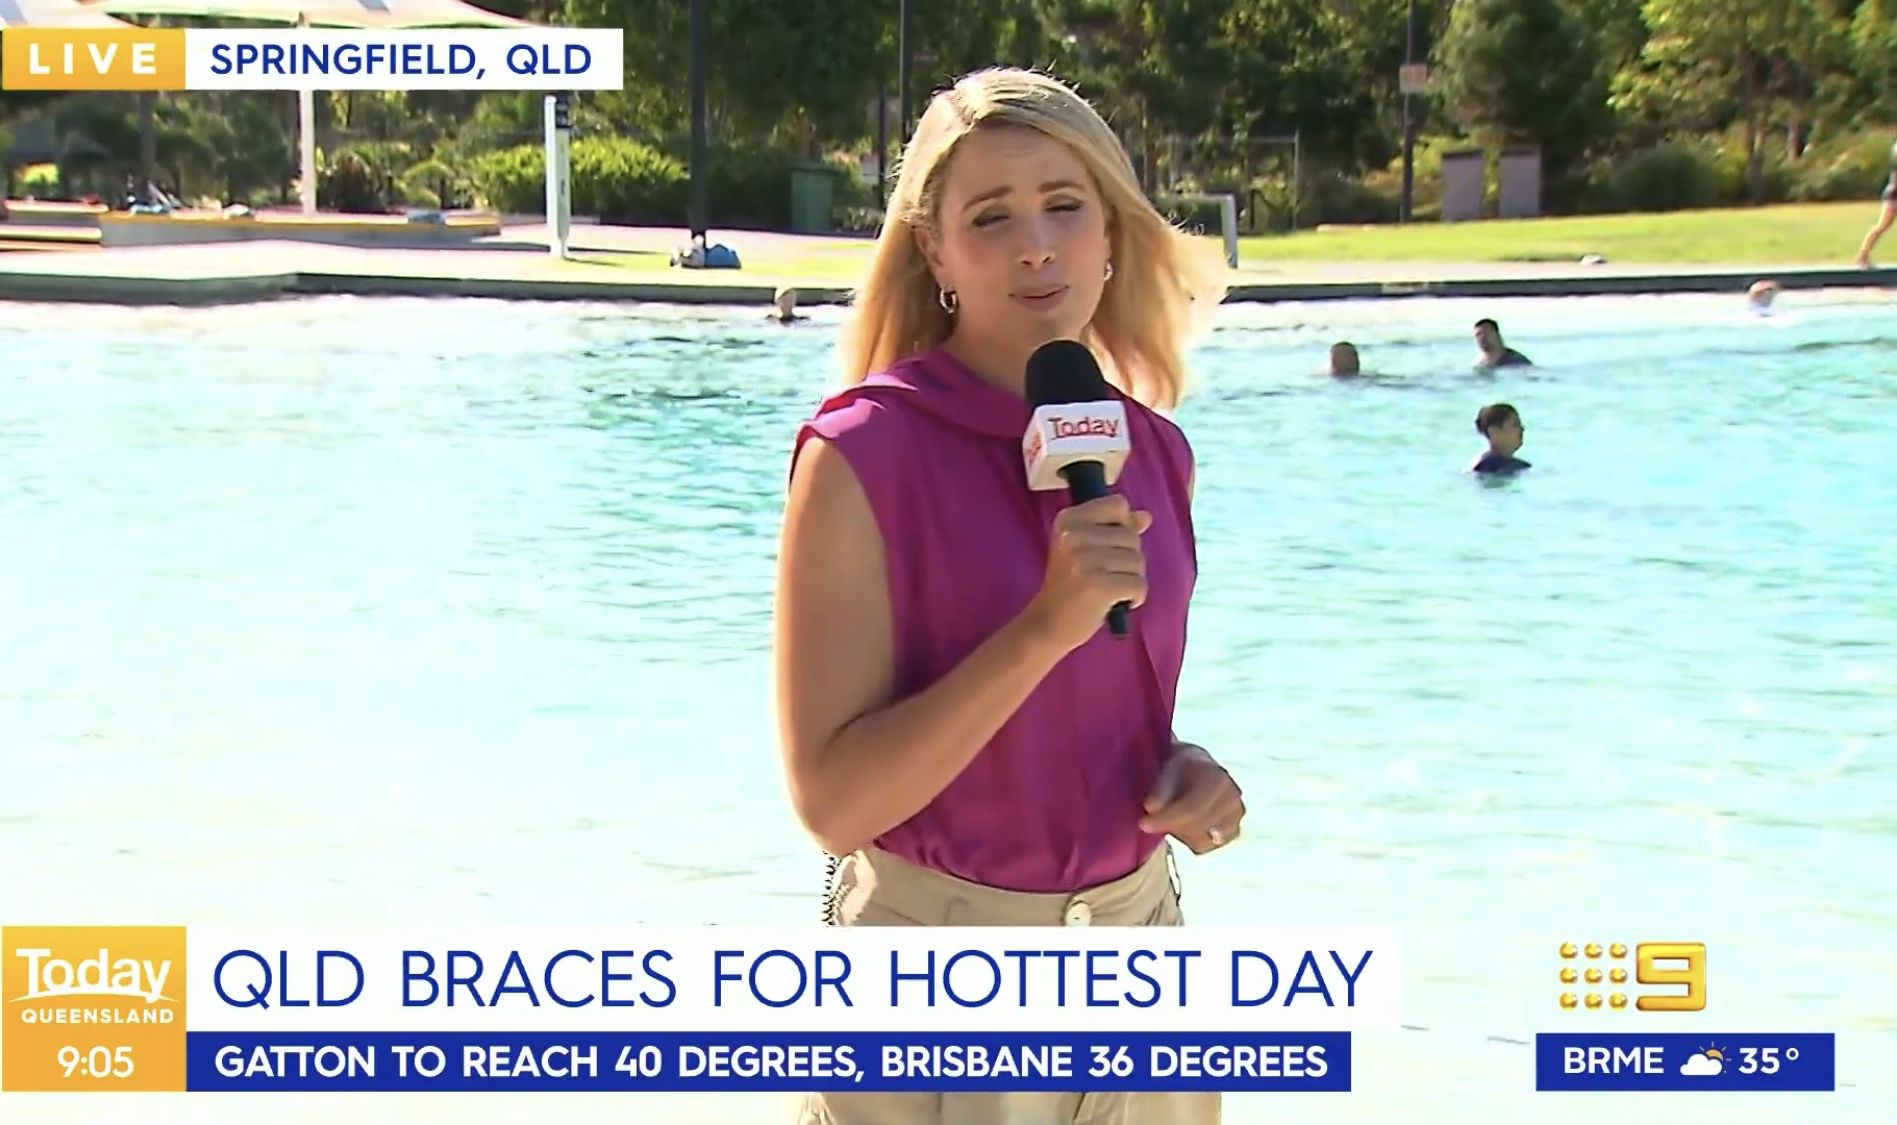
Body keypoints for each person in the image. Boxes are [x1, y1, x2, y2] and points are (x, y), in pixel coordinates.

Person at [773, 66, 1240, 1125]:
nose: (1036, 245)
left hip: (1143, 964)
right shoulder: (862, 454)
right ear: (935, 252)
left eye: (1064, 205)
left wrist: (1182, 772)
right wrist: (1039, 630)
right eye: (991, 217)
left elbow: (1090, 711)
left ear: (1109, 230)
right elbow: (831, 806)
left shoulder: (1154, 450)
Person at [1853, 137, 1896, 269]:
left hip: (1892, 194)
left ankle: (1862, 256)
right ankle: (1862, 256)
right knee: (1881, 226)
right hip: (1894, 196)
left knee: (1881, 226)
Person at [1470, 402, 1531, 475]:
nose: (1521, 429)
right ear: (1494, 431)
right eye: (1515, 425)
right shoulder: (1485, 466)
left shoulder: (1520, 465)